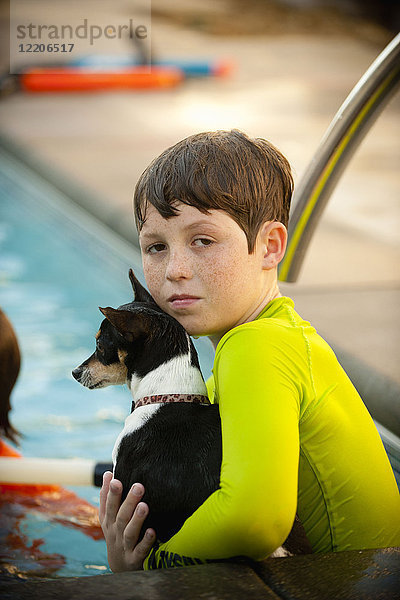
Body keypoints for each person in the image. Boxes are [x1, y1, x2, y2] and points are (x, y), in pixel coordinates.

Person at [99, 130, 400, 572]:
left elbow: (256, 521)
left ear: (270, 246)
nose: (176, 271)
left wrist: (145, 571)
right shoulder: (262, 343)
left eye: (203, 240)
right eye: (156, 247)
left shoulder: (256, 346)